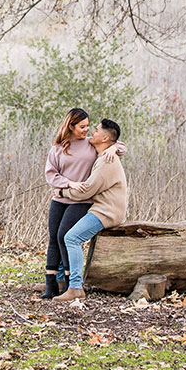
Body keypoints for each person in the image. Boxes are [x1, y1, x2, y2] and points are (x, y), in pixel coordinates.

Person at [40, 109, 124, 299]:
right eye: (83, 127)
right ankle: (54, 283)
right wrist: (66, 185)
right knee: (55, 238)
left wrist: (114, 147)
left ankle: (73, 285)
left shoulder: (97, 151)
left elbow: (115, 142)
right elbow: (51, 174)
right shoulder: (58, 149)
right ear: (71, 127)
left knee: (67, 237)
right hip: (62, 200)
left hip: (83, 201)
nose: (88, 131)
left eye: (91, 127)